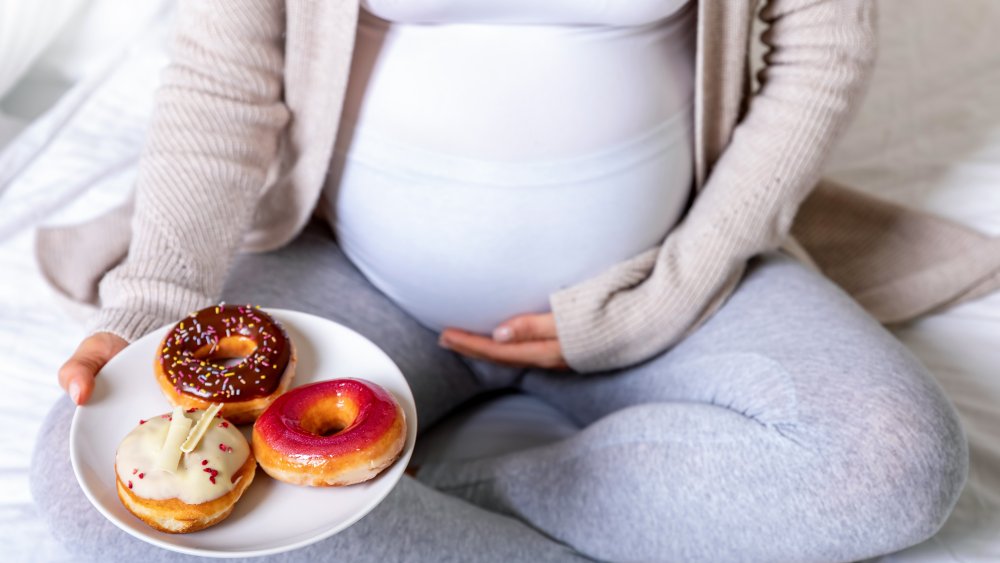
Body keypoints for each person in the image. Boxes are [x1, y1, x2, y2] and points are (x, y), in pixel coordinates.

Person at [32, 0, 970, 561]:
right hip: (363, 275)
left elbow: (822, 51)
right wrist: (156, 307)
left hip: (669, 277)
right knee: (91, 498)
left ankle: (479, 490)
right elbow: (224, 79)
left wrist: (667, 295)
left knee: (894, 464)